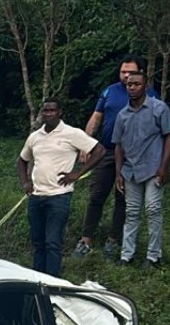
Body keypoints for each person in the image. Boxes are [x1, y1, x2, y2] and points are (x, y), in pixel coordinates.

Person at [74, 55, 158, 258]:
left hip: (133, 156)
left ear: (141, 73)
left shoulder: (151, 96)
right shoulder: (109, 91)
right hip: (106, 151)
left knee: (123, 199)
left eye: (131, 72)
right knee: (96, 195)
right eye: (123, 71)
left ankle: (113, 240)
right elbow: (96, 117)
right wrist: (85, 144)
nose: (126, 75)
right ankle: (85, 240)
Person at [17, 99, 104, 277]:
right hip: (36, 196)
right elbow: (22, 160)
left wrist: (77, 173)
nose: (48, 114)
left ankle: (52, 282)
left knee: (53, 242)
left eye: (52, 110)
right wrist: (25, 182)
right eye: (45, 111)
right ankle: (37, 279)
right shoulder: (35, 136)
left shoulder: (71, 133)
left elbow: (99, 151)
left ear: (60, 112)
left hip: (59, 196)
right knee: (38, 242)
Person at [113, 71, 170, 268]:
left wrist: (164, 166)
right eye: (129, 84)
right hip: (130, 170)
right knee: (131, 212)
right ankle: (127, 255)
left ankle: (153, 256)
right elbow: (118, 145)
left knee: (153, 209)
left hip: (153, 168)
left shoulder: (159, 108)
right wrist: (118, 173)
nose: (132, 87)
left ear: (145, 86)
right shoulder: (122, 115)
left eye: (136, 84)